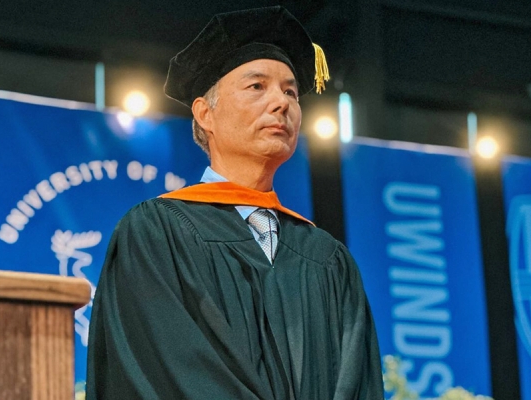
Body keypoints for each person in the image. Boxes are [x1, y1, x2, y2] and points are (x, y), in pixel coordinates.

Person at [86, 6, 383, 400]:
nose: (282, 103)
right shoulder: (157, 234)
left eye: (291, 91)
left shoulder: (328, 259)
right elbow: (166, 373)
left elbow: (357, 384)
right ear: (205, 113)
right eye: (257, 86)